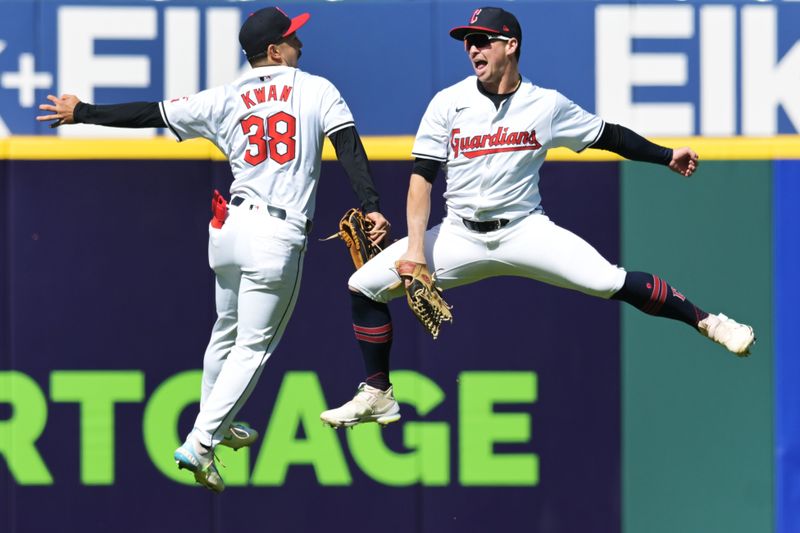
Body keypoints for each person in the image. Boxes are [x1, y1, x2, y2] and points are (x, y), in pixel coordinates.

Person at [319, 6, 754, 429]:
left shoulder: (546, 105)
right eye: (468, 43)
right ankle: (378, 394)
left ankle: (709, 322)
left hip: (525, 230)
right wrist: (415, 250)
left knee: (608, 281)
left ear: (510, 45)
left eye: (482, 41)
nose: (473, 50)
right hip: (458, 235)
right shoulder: (448, 103)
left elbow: (608, 136)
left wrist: (665, 155)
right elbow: (422, 179)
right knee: (363, 286)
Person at [37, 6, 390, 492]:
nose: (299, 45)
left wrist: (84, 113)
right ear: (274, 51)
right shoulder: (315, 88)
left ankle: (216, 426)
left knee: (225, 333)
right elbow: (348, 146)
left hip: (229, 230)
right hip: (275, 236)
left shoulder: (224, 97)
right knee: (253, 348)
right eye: (292, 38)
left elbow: (151, 112)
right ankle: (201, 442)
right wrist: (370, 204)